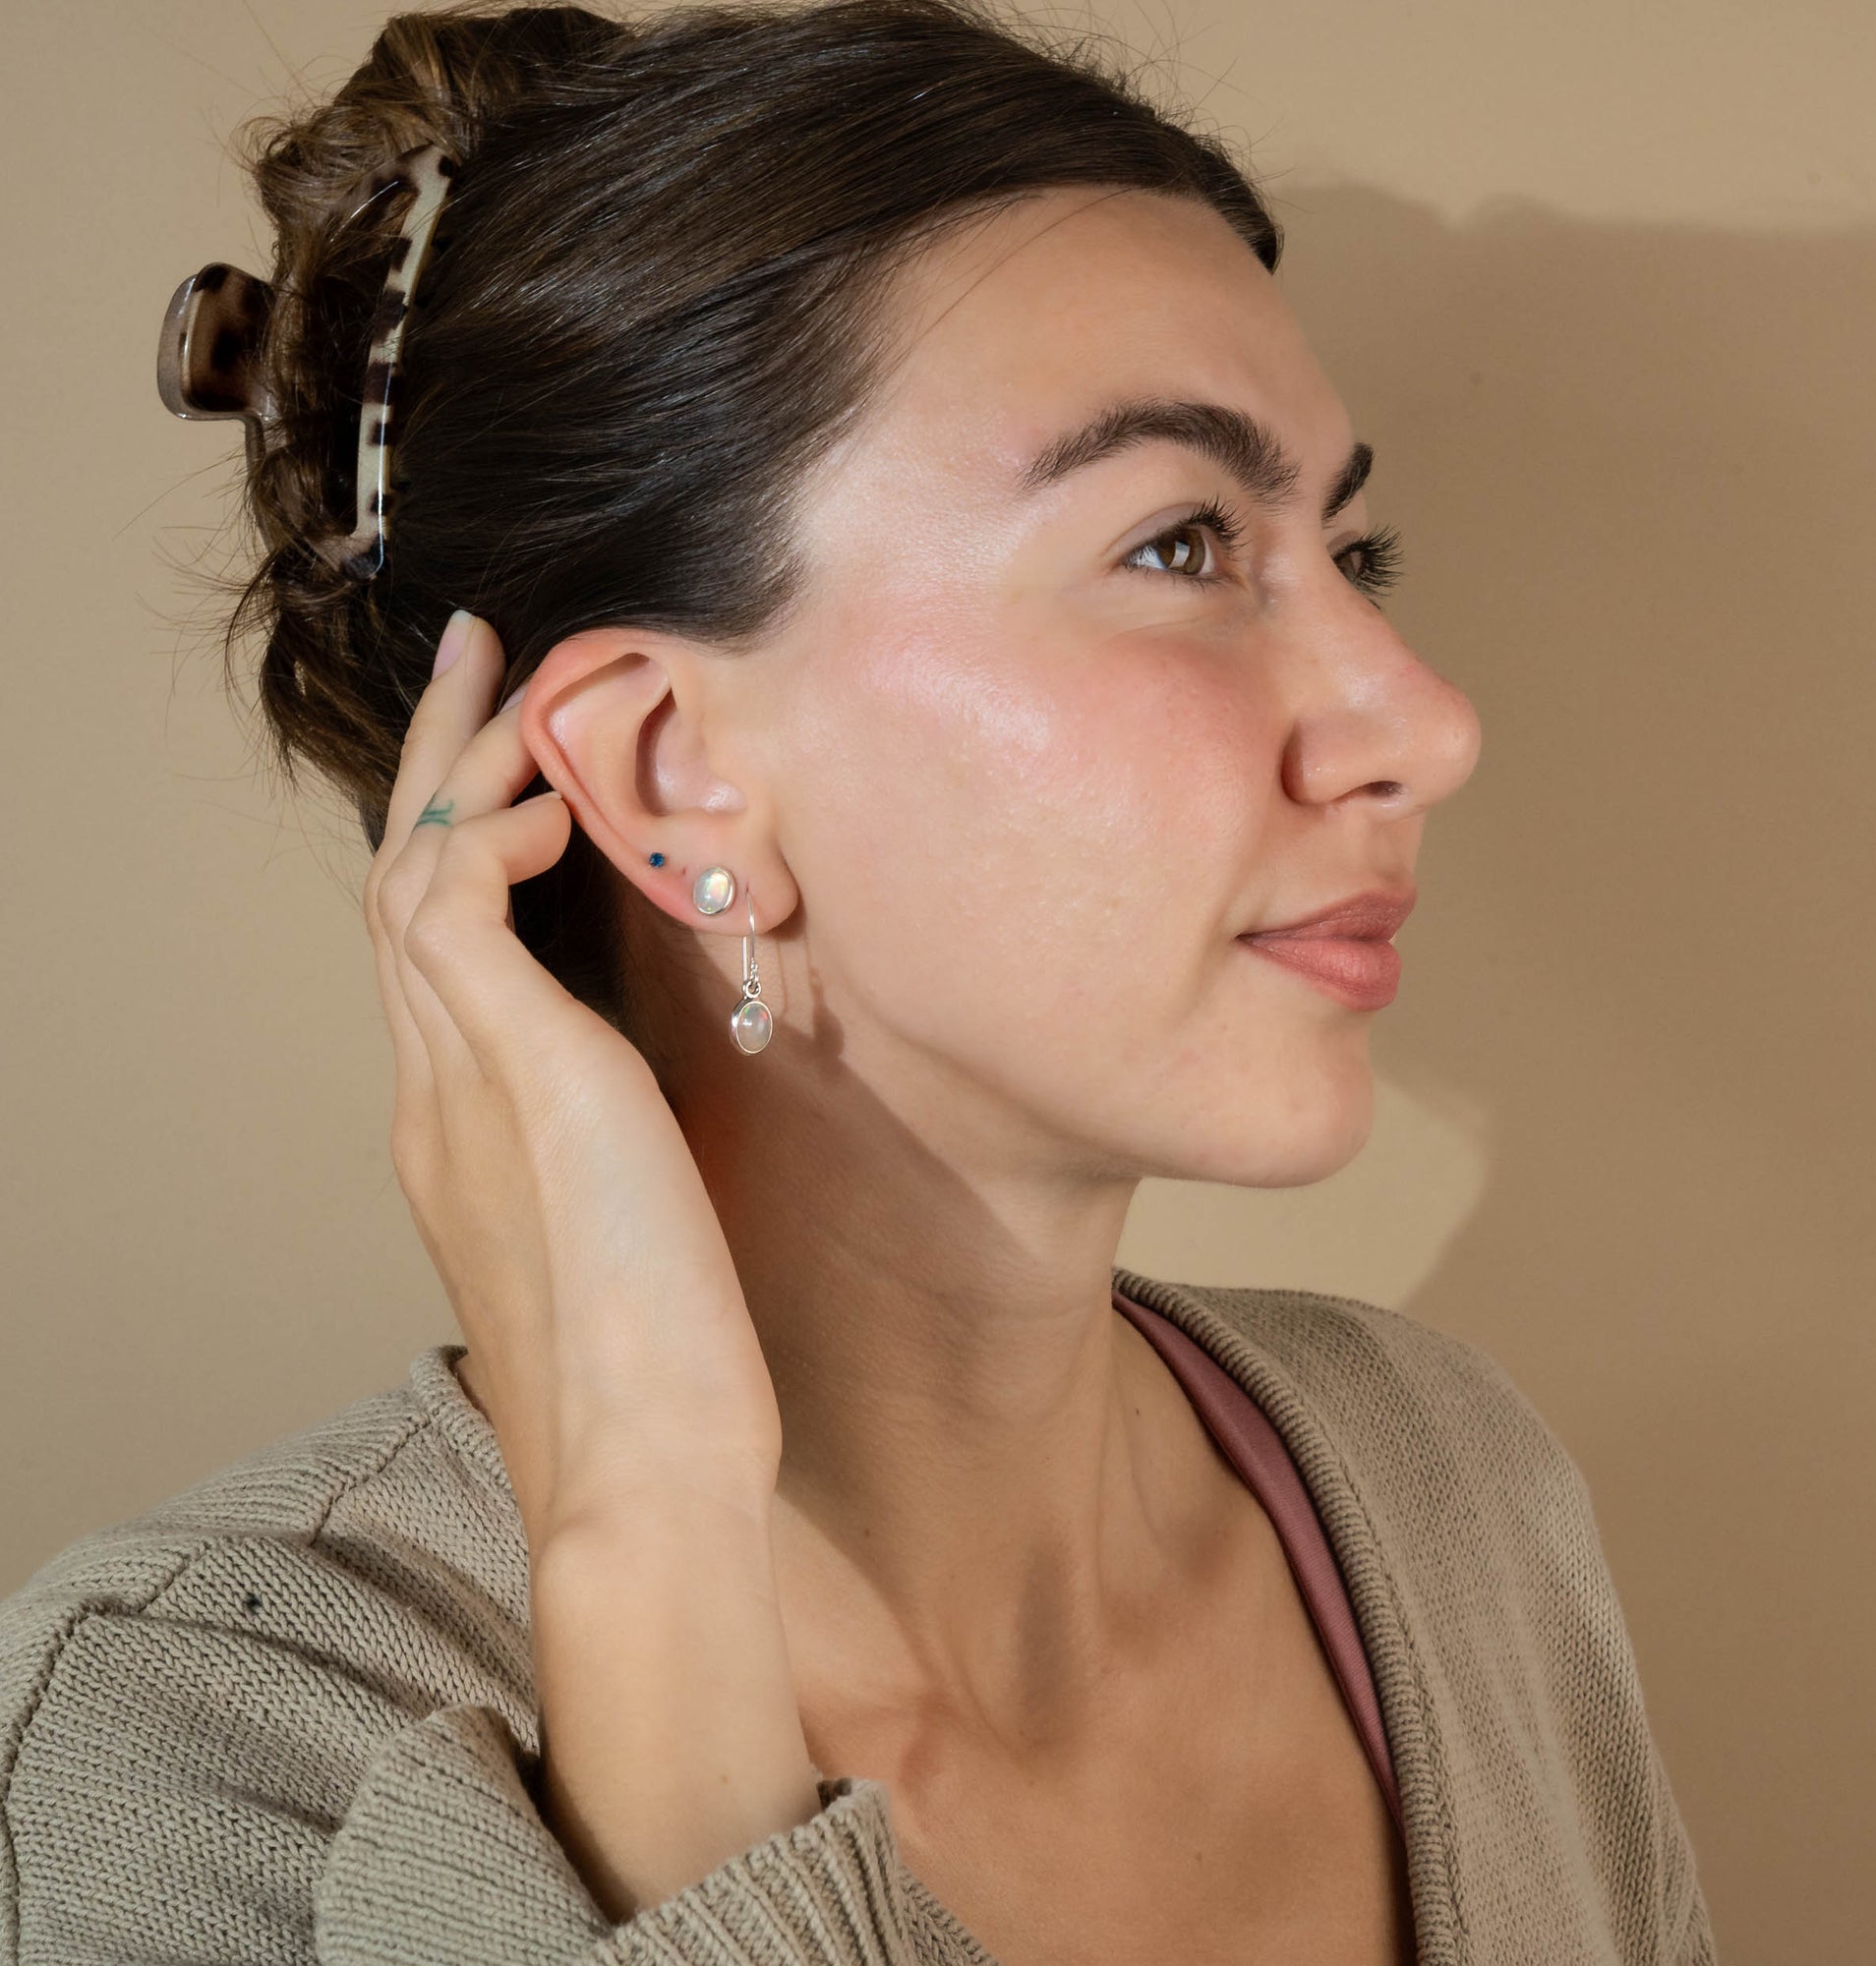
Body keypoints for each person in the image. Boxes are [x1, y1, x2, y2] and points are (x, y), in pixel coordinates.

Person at [0, 3, 1715, 1960]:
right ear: (664, 769)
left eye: (1355, 547)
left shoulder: (1443, 1485)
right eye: (1180, 542)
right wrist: (646, 1530)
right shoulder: (205, 1745)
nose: (1420, 721)